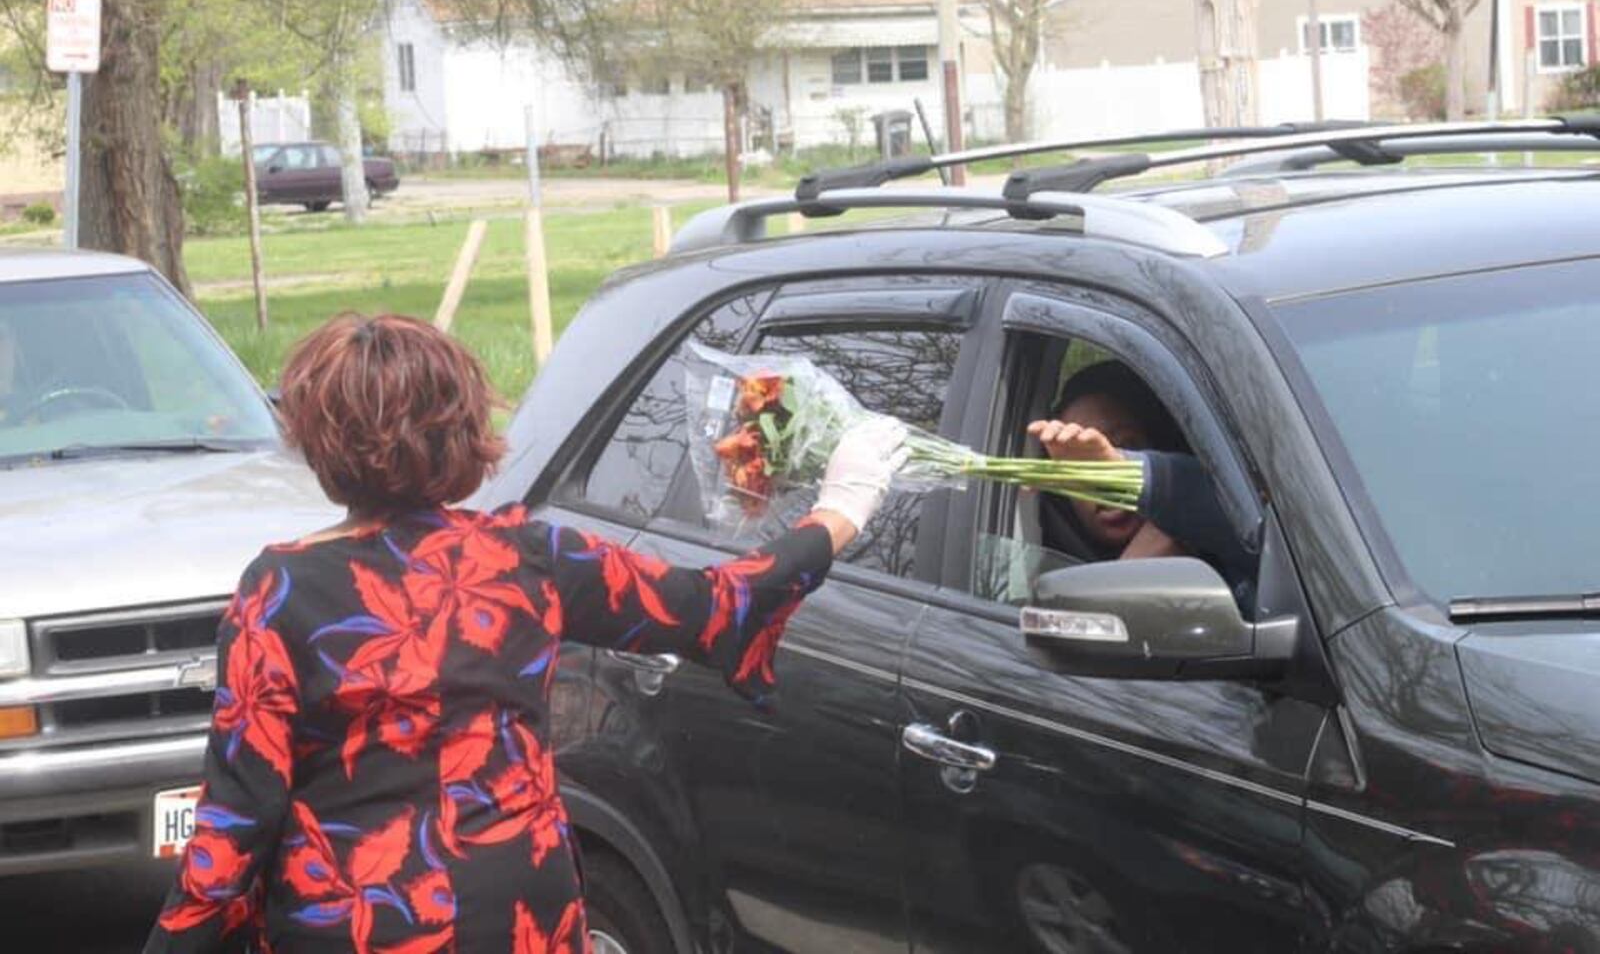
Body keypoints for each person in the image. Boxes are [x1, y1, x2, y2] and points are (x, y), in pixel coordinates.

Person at [144, 313, 907, 954]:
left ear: (320, 440)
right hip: (516, 913)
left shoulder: (278, 591)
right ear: (463, 425)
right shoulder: (525, 558)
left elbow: (233, 831)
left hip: (354, 921)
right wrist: (845, 503)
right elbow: (720, 607)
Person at [1027, 360, 1251, 584]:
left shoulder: (1233, 547)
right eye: (1079, 461)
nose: (1106, 482)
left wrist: (1137, 476)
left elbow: (1239, 513)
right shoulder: (1042, 572)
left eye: (1127, 446)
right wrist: (1122, 580)